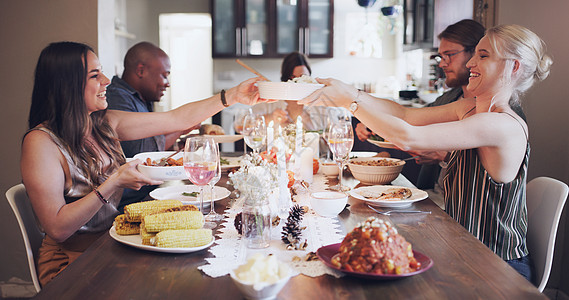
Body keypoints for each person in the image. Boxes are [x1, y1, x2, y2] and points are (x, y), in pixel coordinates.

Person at [300, 24, 553, 281]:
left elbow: (409, 137)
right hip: (465, 248)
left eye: (484, 56)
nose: (471, 64)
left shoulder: (502, 125)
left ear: (514, 66)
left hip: (497, 266)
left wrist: (349, 102)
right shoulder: (469, 108)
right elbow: (405, 115)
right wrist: (351, 91)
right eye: (474, 54)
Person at [21, 41, 261, 286]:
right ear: (66, 85)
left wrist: (231, 96)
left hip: (112, 243)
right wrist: (113, 183)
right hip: (73, 263)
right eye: (95, 75)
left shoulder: (104, 123)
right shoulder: (41, 143)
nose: (106, 80)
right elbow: (59, 228)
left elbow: (176, 118)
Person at [355, 19, 487, 193]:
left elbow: (488, 174)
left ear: (475, 54)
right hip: (439, 196)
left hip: (466, 208)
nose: (442, 63)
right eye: (442, 56)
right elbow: (410, 118)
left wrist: (444, 156)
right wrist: (371, 121)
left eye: (450, 54)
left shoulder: (494, 110)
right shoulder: (451, 98)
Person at [106, 42, 197, 210]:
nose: (167, 83)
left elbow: (153, 145)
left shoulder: (142, 98)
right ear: (141, 70)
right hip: (128, 203)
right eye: (164, 75)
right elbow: (142, 151)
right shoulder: (117, 98)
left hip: (150, 192)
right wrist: (183, 127)